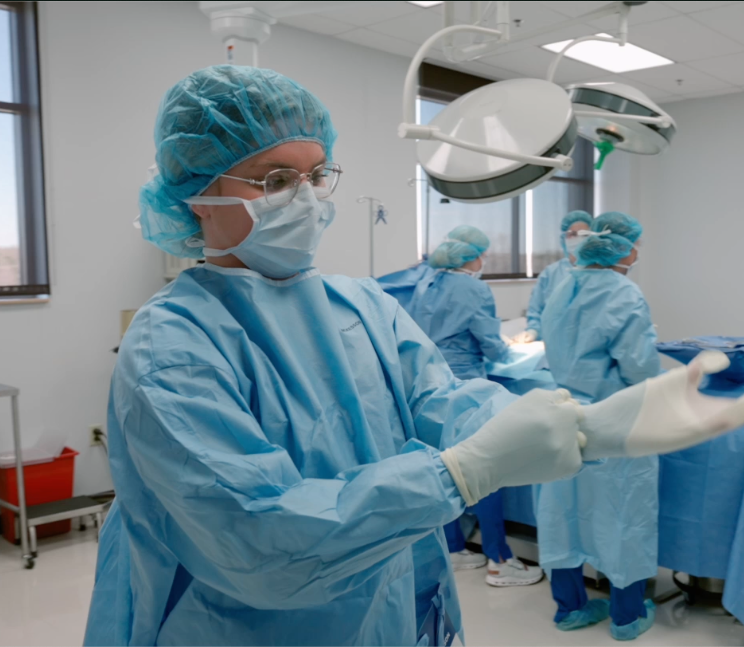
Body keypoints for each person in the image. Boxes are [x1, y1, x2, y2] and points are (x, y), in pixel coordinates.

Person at [83, 66, 590, 647]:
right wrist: (458, 473)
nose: (305, 198)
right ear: (197, 195)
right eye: (272, 179)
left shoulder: (362, 305)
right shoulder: (171, 345)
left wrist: (582, 429)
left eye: (317, 175)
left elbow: (446, 405)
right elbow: (261, 537)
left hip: (390, 610)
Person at [536, 211, 659, 641]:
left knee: (562, 511)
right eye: (635, 244)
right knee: (623, 512)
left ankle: (570, 608)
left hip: (562, 413)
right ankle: (627, 617)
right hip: (612, 419)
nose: (638, 252)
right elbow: (640, 366)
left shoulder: (561, 285)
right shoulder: (623, 294)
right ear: (620, 248)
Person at [402, 226, 543, 587]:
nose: (484, 261)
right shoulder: (474, 288)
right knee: (486, 470)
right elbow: (493, 348)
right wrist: (524, 347)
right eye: (483, 254)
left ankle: (455, 549)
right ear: (473, 256)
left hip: (430, 389)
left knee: (446, 467)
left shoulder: (426, 284)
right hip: (467, 388)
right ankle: (498, 559)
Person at [515, 210, 594, 344]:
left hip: (590, 345)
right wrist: (533, 331)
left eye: (584, 235)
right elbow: (536, 310)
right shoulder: (550, 273)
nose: (578, 239)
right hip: (553, 345)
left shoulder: (600, 272)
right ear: (564, 238)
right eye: (572, 235)